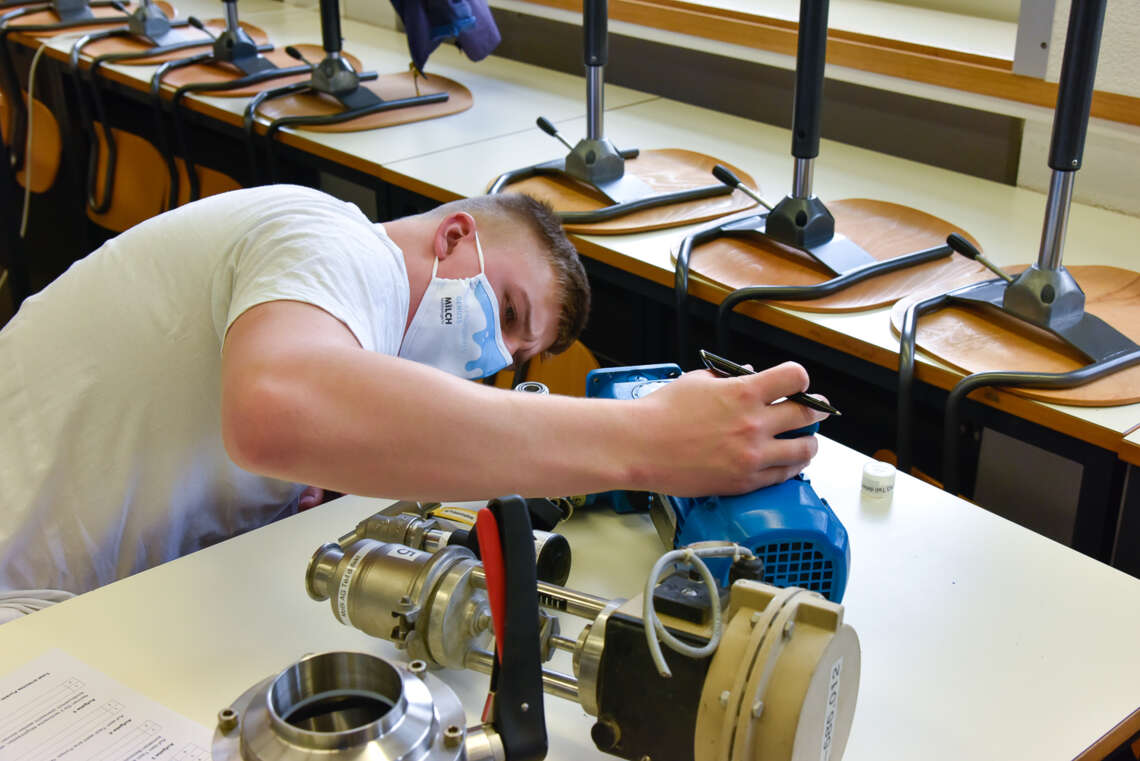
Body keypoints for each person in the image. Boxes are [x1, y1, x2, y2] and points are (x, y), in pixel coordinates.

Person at [0, 183, 824, 619]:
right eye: (505, 312)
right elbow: (274, 409)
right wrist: (645, 437)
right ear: (456, 235)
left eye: (513, 355)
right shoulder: (329, 237)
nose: (493, 355)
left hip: (75, 606)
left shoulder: (336, 339)